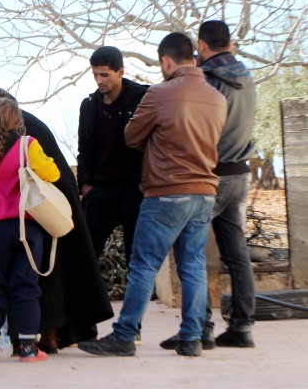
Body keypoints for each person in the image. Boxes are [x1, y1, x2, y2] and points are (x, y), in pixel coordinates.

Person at [77, 32, 226, 357]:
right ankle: (192, 337)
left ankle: (125, 334)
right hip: (205, 192)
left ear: (166, 61)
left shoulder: (159, 94)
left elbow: (131, 136)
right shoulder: (217, 98)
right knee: (193, 265)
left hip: (167, 191)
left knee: (143, 264)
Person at [0, 88, 113, 353]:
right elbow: (54, 173)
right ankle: (35, 342)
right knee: (32, 282)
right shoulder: (29, 135)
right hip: (35, 220)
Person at [159, 20, 258, 350]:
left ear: (201, 45)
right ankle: (242, 328)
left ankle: (200, 329)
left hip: (211, 174)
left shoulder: (207, 79)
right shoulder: (248, 76)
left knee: (189, 249)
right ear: (229, 43)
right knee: (237, 252)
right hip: (241, 174)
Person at [0, 97, 59, 363]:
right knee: (26, 285)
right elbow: (53, 174)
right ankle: (28, 348)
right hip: (26, 227)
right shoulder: (28, 145)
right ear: (17, 120)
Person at [78, 46, 148, 267]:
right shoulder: (89, 106)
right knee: (84, 255)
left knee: (136, 258)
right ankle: (86, 303)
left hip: (133, 189)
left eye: (104, 74)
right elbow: (84, 147)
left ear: (121, 72)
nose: (99, 80)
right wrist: (84, 185)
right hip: (100, 190)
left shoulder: (143, 98)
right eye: (95, 75)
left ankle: (137, 303)